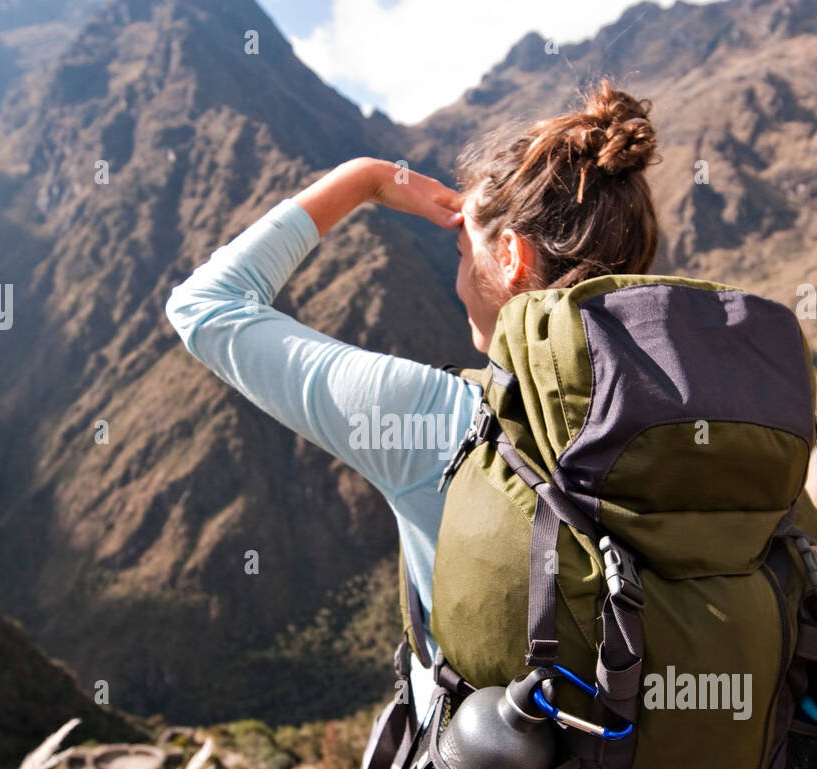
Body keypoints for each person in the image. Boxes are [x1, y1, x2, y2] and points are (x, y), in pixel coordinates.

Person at [166, 80, 662, 725]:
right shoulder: (714, 411)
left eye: (463, 252)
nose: (459, 276)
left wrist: (363, 179)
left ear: (511, 257)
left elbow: (204, 307)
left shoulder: (436, 420)